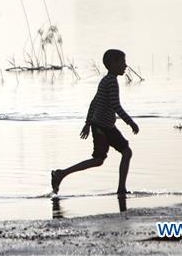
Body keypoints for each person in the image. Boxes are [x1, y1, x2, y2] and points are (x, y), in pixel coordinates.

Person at [51, 48, 139, 196]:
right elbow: (115, 106)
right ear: (112, 64)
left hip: (105, 126)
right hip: (102, 128)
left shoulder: (107, 80)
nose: (125, 66)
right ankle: (61, 174)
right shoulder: (110, 81)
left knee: (111, 157)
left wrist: (87, 123)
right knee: (114, 155)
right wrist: (130, 122)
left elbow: (94, 102)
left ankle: (61, 174)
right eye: (122, 62)